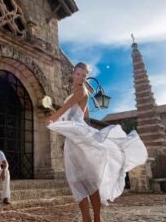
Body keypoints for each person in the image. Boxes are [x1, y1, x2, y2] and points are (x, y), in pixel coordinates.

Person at [46, 62, 148, 222]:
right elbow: (81, 113)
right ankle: (90, 218)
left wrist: (52, 117)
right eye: (78, 74)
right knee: (79, 181)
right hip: (73, 139)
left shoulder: (81, 89)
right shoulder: (76, 92)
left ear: (86, 77)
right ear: (73, 73)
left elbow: (66, 108)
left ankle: (95, 218)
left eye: (83, 75)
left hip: (79, 138)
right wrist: (59, 116)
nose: (80, 77)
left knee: (87, 180)